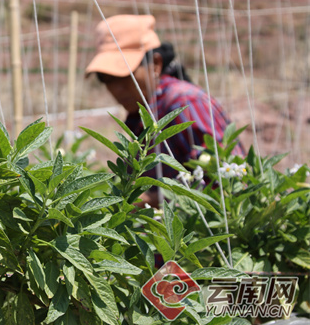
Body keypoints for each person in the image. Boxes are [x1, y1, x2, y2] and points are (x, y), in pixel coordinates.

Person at [85, 14, 243, 207]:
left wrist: (148, 201)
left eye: (125, 75)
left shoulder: (184, 103)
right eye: (106, 79)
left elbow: (228, 182)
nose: (116, 88)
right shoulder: (141, 112)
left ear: (156, 64)